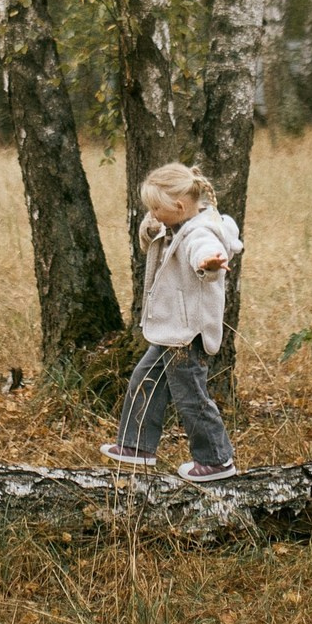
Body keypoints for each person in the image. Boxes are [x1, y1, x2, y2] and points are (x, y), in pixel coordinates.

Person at [100, 163, 243, 482]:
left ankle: (217, 459)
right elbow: (152, 236)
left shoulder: (200, 231)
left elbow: (205, 252)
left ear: (178, 207)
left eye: (155, 208)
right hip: (172, 329)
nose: (152, 213)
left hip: (188, 332)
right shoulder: (175, 223)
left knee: (190, 394)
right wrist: (151, 228)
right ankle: (137, 446)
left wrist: (209, 264)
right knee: (145, 378)